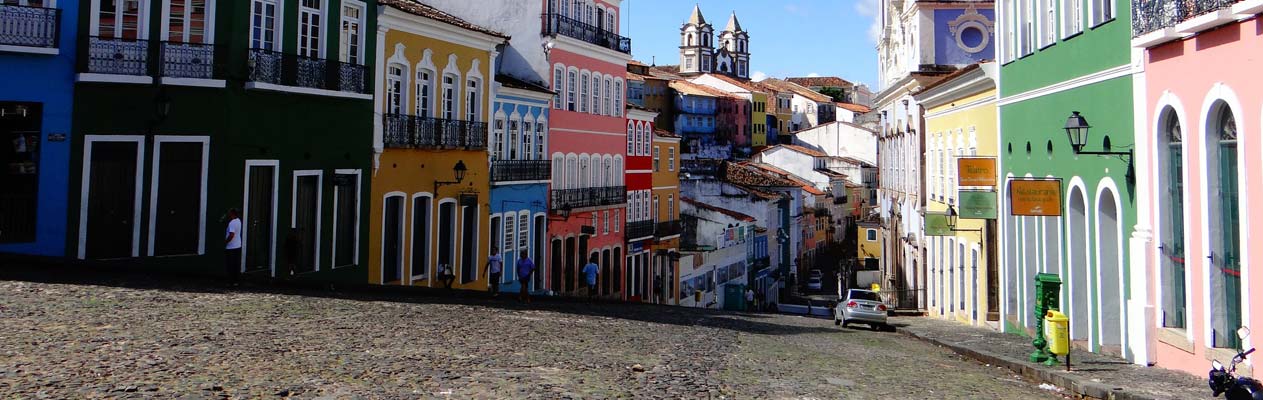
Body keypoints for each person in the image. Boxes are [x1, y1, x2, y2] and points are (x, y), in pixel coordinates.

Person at [224, 208, 242, 286]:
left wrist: (226, 241)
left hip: (231, 246)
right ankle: (236, 281)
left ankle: (230, 281)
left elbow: (231, 234)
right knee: (236, 264)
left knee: (230, 265)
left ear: (232, 214)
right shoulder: (238, 221)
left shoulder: (232, 223)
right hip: (238, 245)